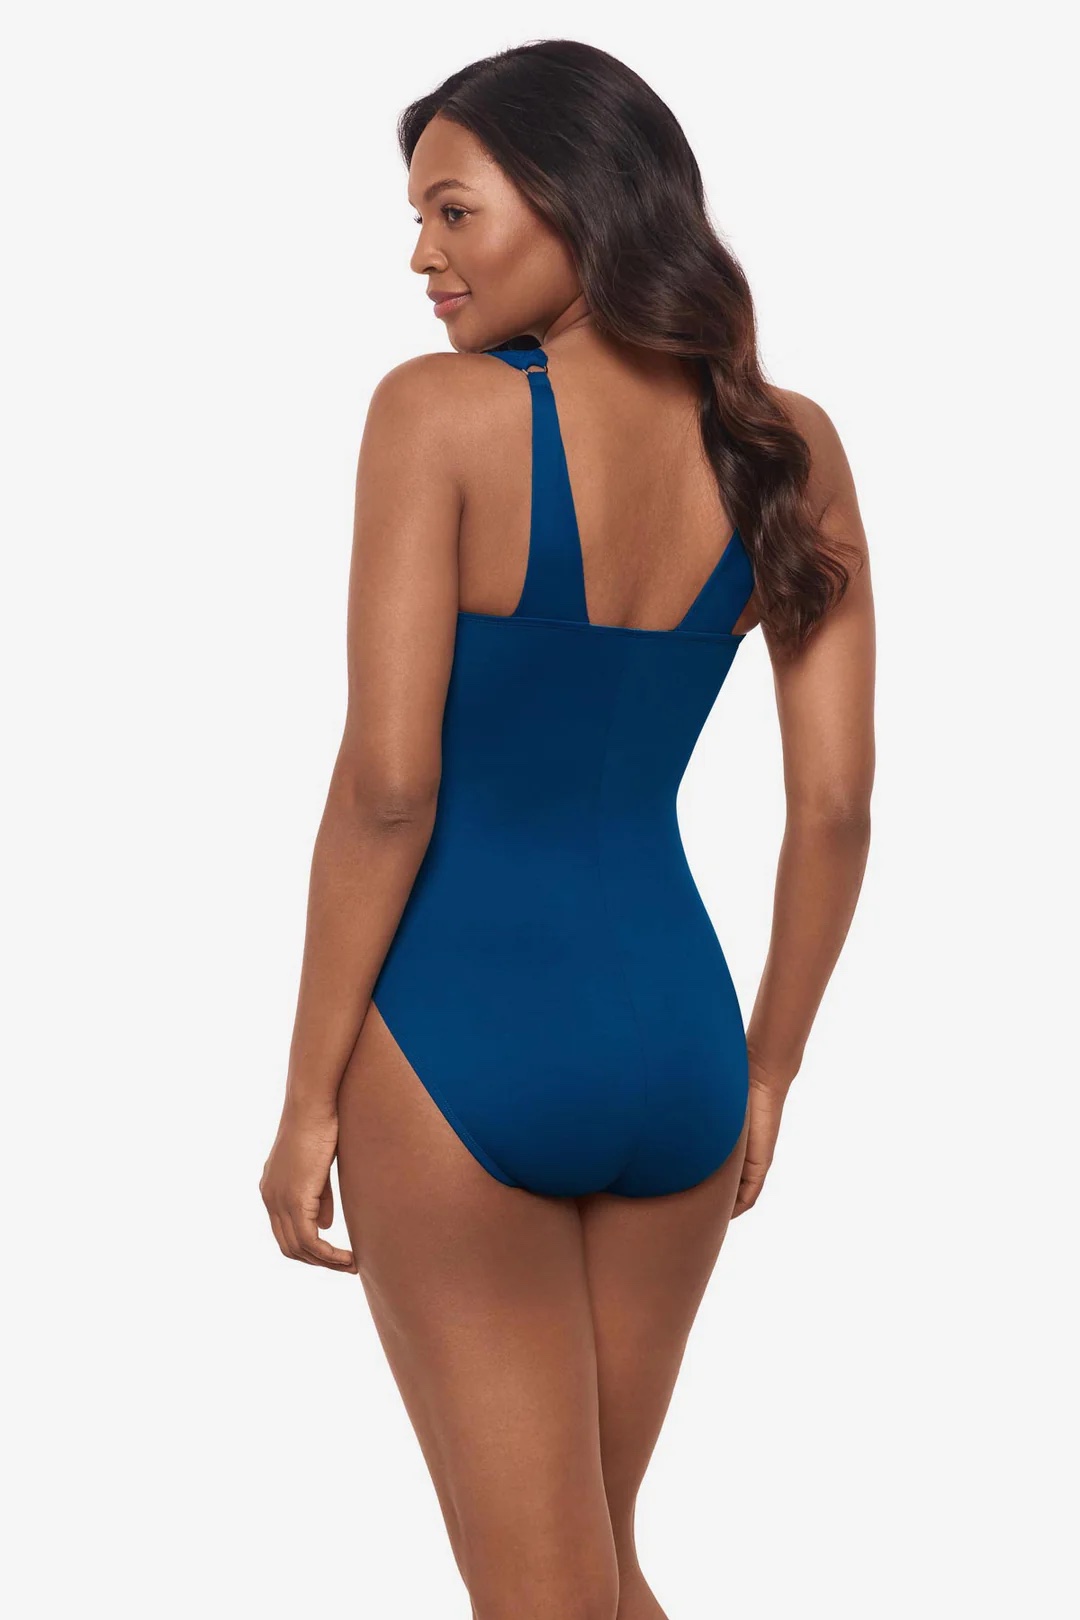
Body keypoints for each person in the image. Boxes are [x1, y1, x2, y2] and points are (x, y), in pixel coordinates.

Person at [260, 37, 875, 1620]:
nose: (423, 255)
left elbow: (389, 788)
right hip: (679, 1043)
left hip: (457, 1037)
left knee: (541, 1593)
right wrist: (769, 1067)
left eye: (454, 211)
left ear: (576, 197)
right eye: (419, 218)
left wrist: (308, 1094)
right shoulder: (787, 444)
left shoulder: (438, 416)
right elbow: (834, 808)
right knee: (591, 1574)